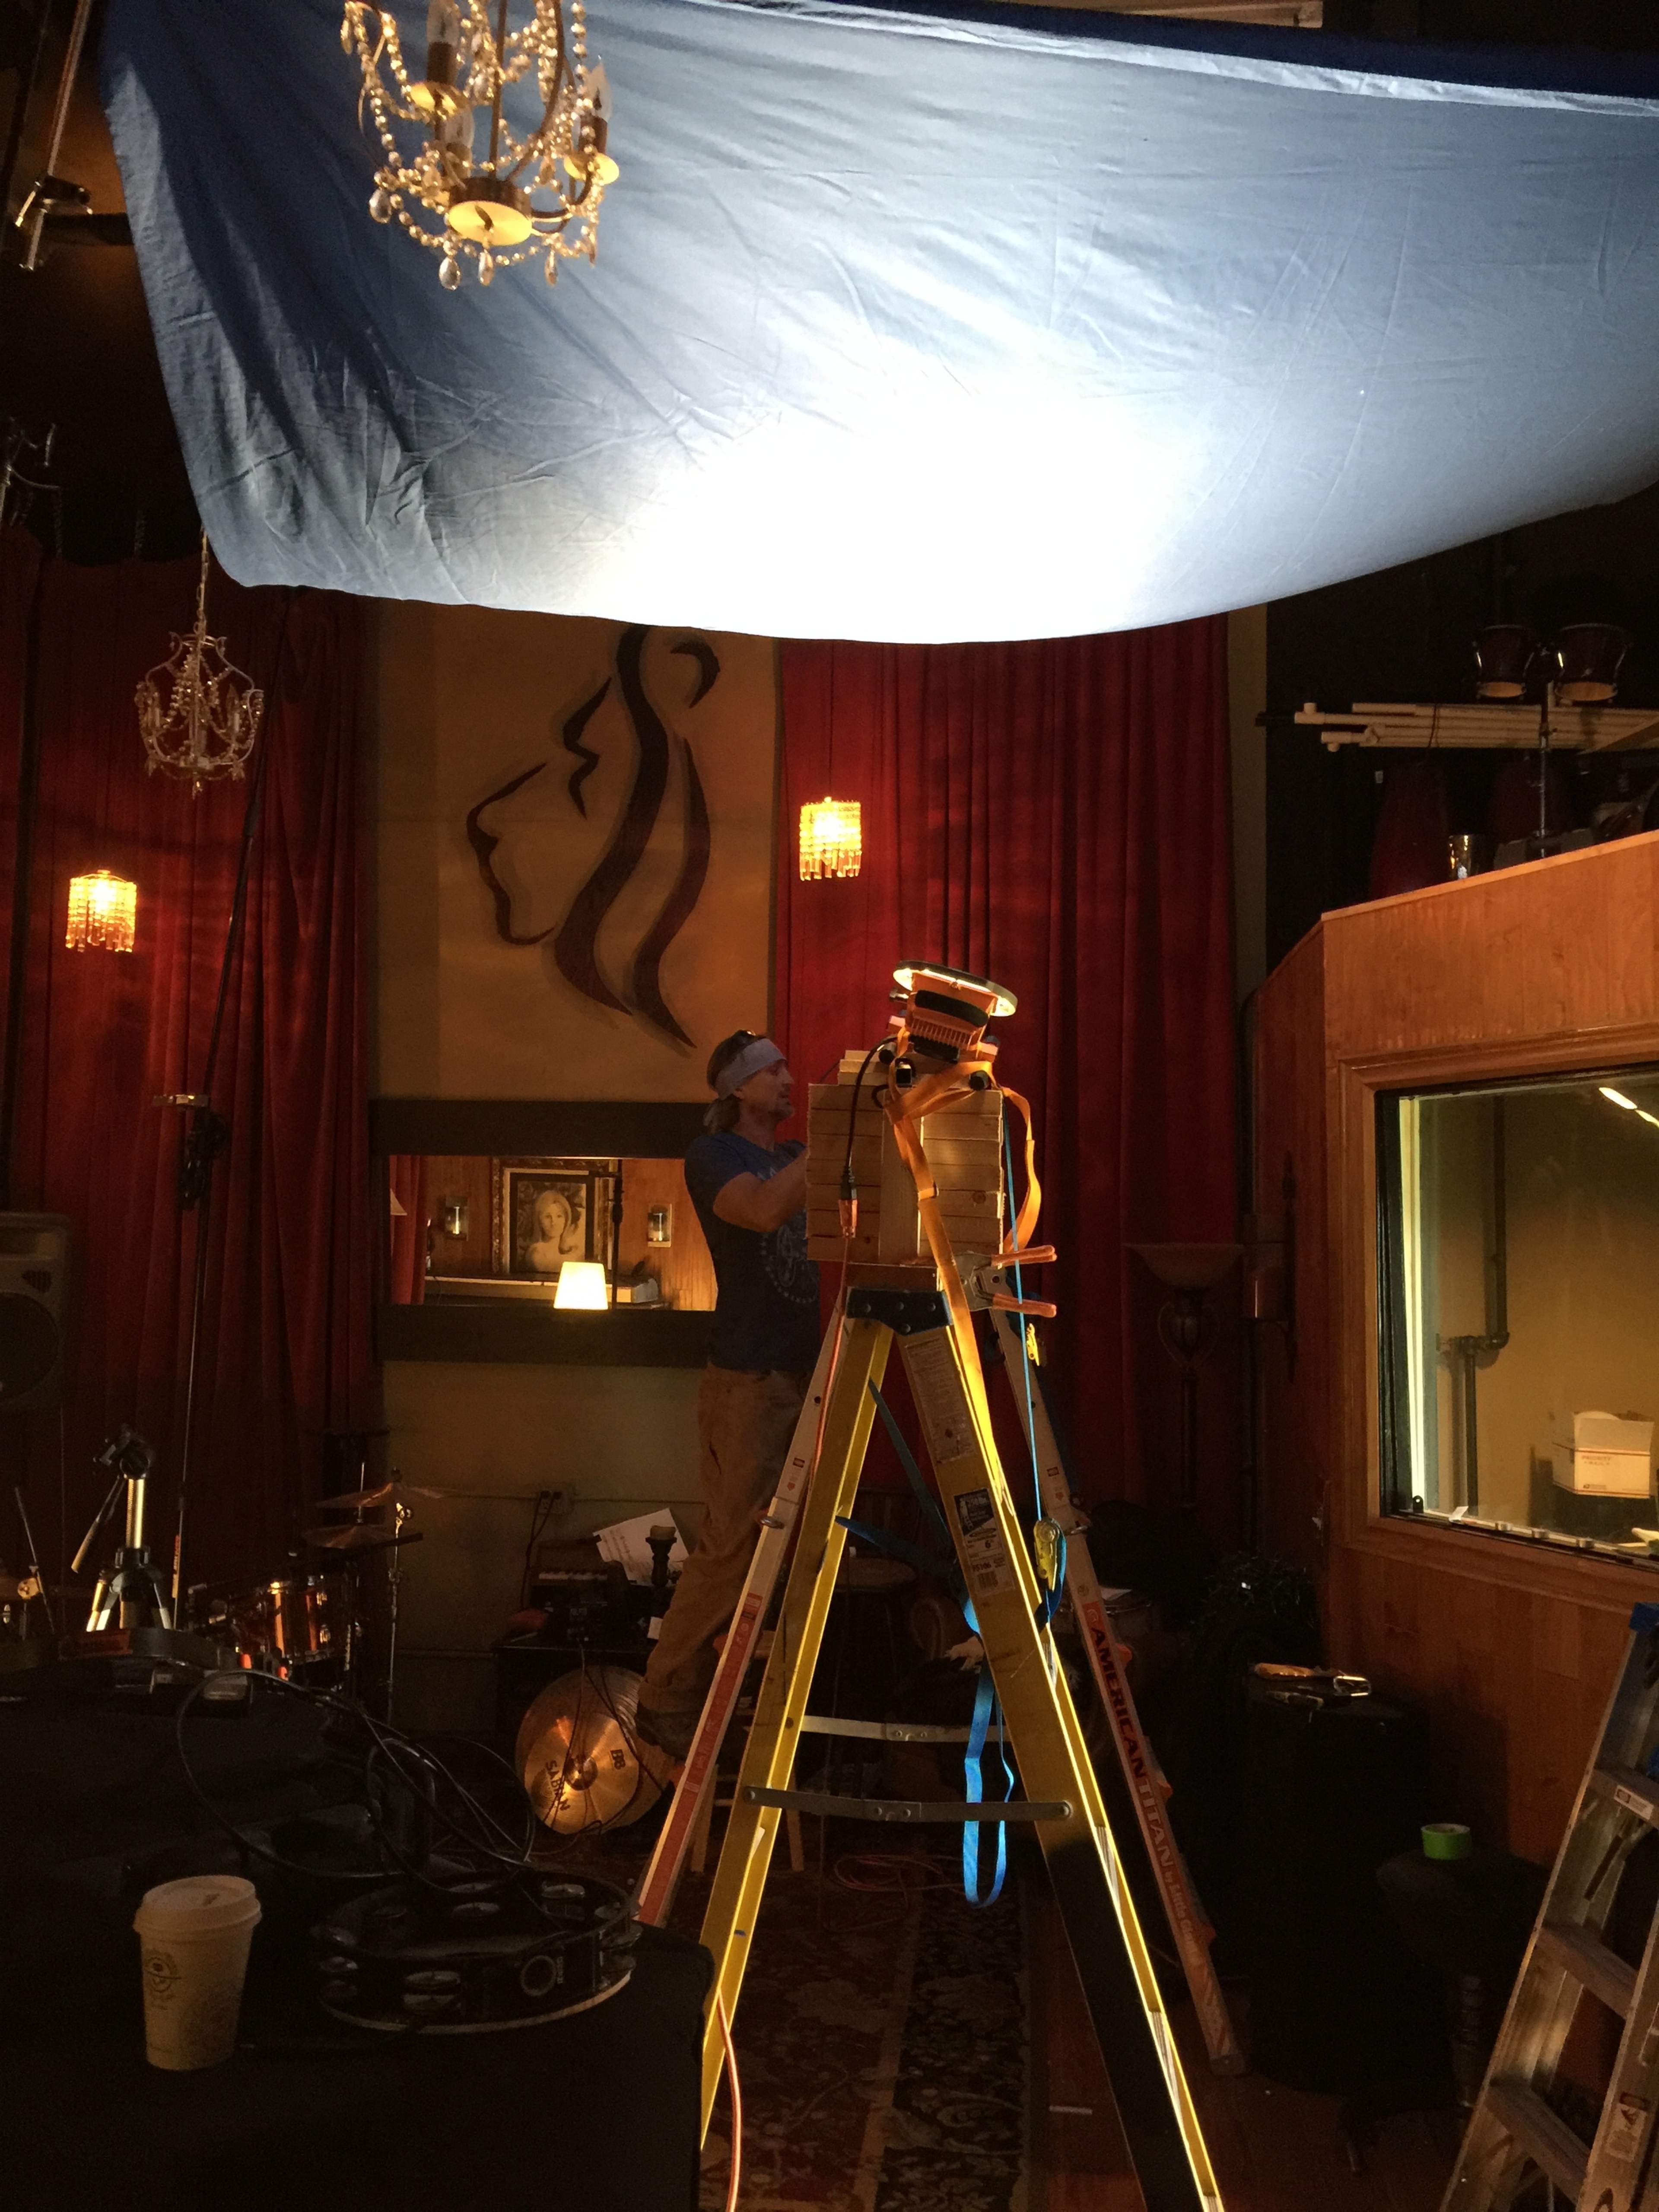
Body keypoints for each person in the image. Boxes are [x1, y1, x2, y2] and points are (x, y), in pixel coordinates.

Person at [634, 1030, 820, 1761]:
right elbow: (766, 1211)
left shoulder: (793, 1159)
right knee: (731, 1544)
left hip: (799, 1374)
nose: (788, 1079)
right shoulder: (715, 1157)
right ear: (739, 1089)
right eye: (774, 1070)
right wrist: (827, 1147)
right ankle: (666, 1694)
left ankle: (737, 1694)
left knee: (787, 1548)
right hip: (747, 1379)